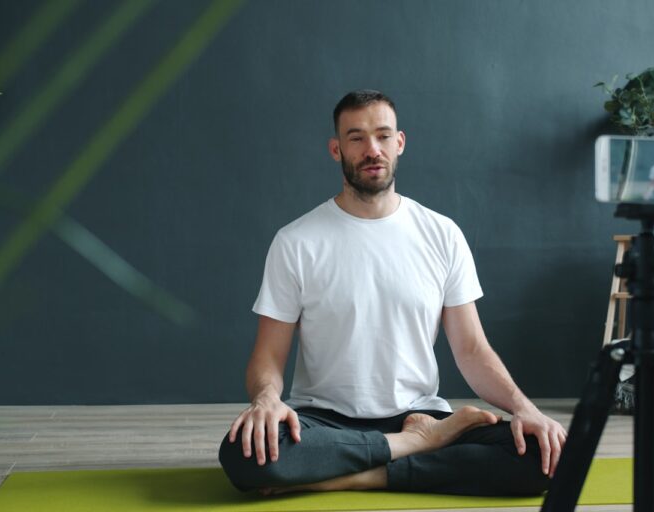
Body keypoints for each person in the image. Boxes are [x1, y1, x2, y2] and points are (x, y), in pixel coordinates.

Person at [219, 89, 567, 496]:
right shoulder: (296, 241)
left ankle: (356, 473)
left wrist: (525, 409)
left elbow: (472, 349)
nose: (372, 149)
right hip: (325, 421)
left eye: (383, 136)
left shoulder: (442, 235)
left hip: (420, 415)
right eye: (356, 138)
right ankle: (412, 449)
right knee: (242, 454)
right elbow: (268, 354)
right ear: (336, 149)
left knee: (541, 454)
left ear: (399, 142)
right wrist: (265, 400)